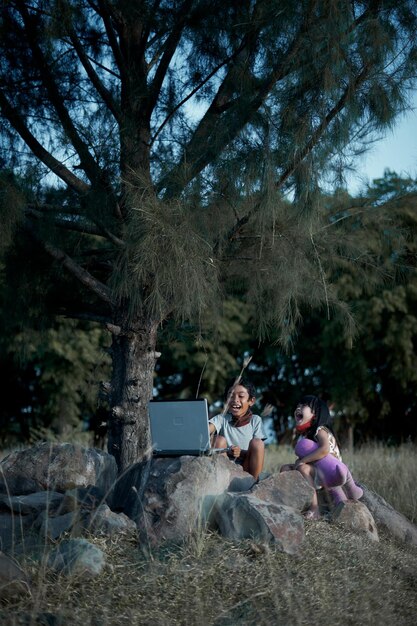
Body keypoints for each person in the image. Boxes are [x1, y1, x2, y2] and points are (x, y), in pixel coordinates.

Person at [280, 394, 359, 520]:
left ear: (315, 414)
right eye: (298, 406)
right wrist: (300, 461)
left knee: (303, 469)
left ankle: (315, 508)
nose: (298, 408)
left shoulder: (321, 430)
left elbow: (324, 450)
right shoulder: (309, 435)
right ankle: (290, 502)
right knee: (285, 468)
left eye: (304, 406)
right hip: (323, 472)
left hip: (329, 472)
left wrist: (303, 461)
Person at [209, 377, 266, 480]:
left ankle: (254, 484)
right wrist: (227, 451)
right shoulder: (221, 419)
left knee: (257, 443)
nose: (235, 400)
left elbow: (257, 452)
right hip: (226, 469)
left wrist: (240, 453)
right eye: (231, 395)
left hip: (247, 469)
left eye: (241, 396)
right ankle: (223, 483)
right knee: (218, 440)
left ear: (251, 401)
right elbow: (206, 431)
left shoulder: (255, 420)